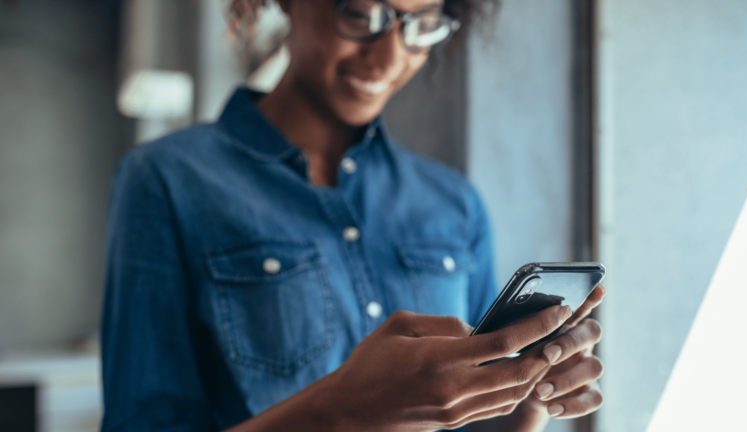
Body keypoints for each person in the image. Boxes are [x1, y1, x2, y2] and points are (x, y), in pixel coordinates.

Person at [100, 0, 605, 430]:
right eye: (362, 15)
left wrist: (521, 403)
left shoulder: (453, 202)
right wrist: (340, 412)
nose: (389, 57)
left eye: (421, 25)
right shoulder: (167, 179)